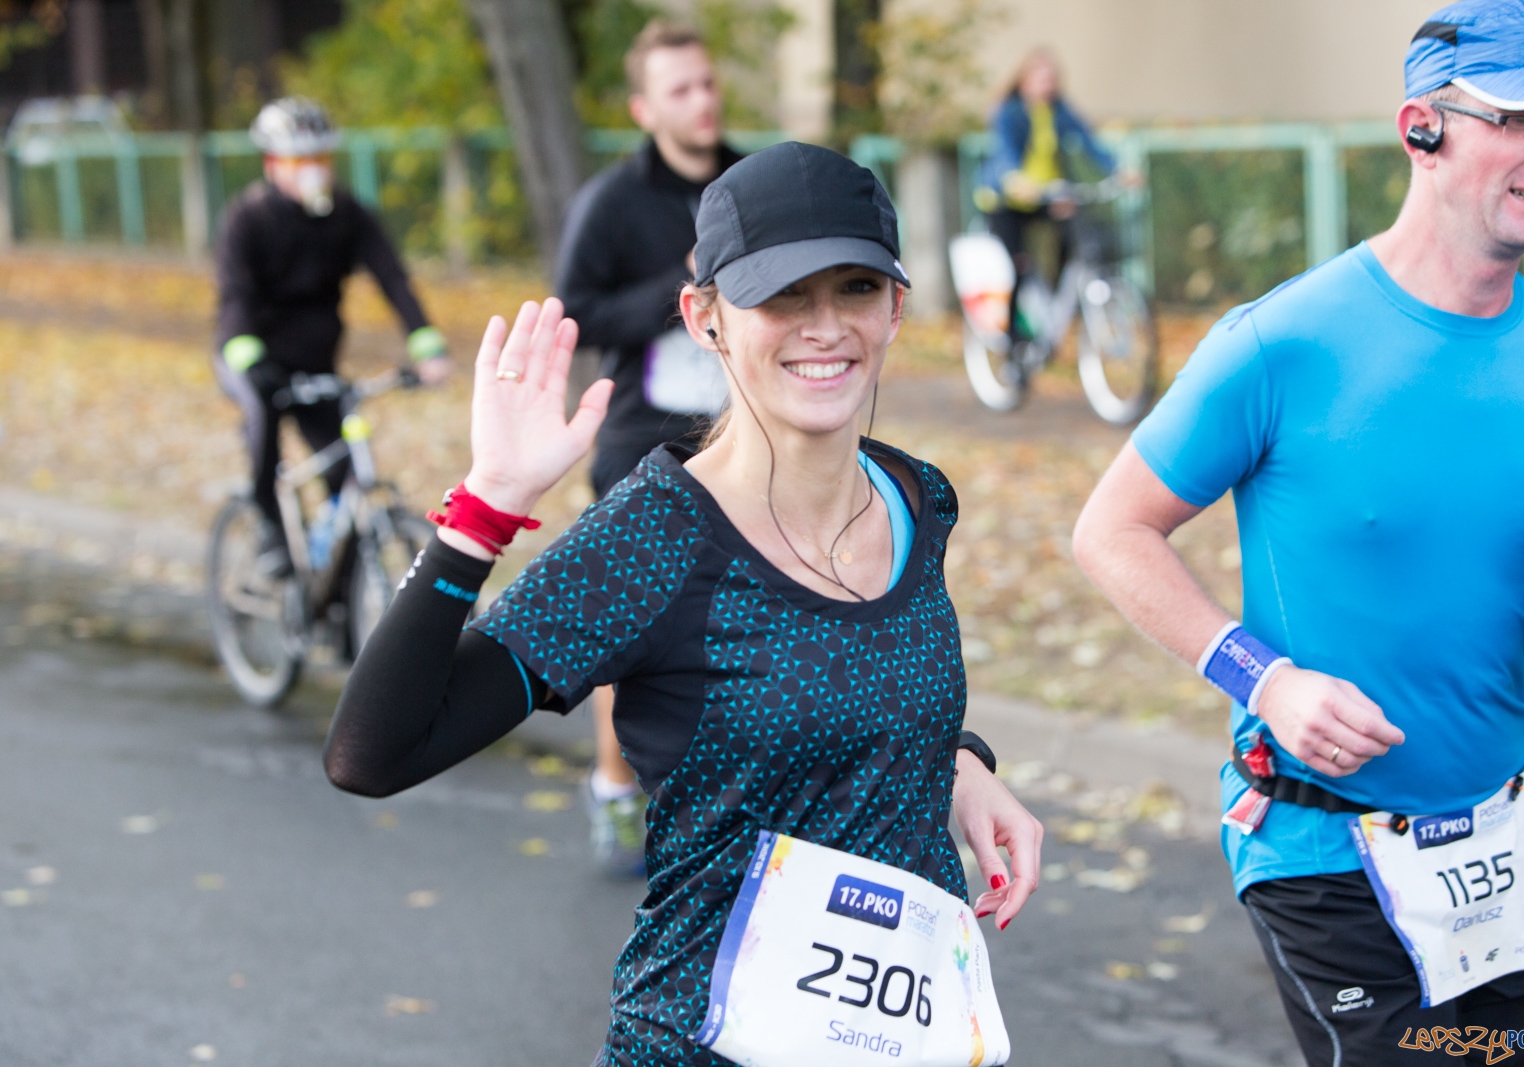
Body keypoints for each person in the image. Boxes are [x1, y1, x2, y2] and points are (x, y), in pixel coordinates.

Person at [324, 142, 1042, 1065]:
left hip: (906, 1039)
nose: (825, 326)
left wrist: (960, 765)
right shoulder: (657, 537)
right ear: (705, 318)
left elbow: (868, 687)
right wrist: (484, 509)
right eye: (783, 294)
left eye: (856, 288)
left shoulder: (916, 496)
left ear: (897, 307)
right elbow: (371, 752)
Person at [1072, 3, 1524, 1064]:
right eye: (1518, 122)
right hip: (1321, 842)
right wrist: (1262, 679)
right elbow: (1110, 529)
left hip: (1497, 837)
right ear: (1421, 127)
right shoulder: (1281, 344)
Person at [555, 21, 742, 877]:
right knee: (632, 614)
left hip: (744, 424)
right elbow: (576, 311)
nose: (701, 101)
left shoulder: (750, 183)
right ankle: (614, 783)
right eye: (680, 90)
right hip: (641, 430)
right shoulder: (614, 202)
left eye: (706, 84)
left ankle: (734, 794)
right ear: (644, 108)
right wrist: (681, 294)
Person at [214, 97, 450, 574]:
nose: (312, 172)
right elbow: (235, 296)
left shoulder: (347, 215)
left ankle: (339, 609)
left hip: (316, 363)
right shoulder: (247, 219)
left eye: (320, 159)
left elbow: (392, 277)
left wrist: (426, 342)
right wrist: (250, 358)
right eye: (300, 161)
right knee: (263, 421)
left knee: (344, 480)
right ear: (272, 164)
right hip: (253, 357)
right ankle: (268, 527)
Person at [974, 46, 1119, 323]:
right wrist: (1014, 180)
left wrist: (1118, 169)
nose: (1048, 85)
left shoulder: (1059, 111)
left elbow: (1089, 143)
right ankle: (1015, 345)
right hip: (1006, 201)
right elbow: (1004, 151)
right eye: (1042, 78)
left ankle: (1056, 305)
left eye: (1052, 79)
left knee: (1078, 241)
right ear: (1025, 80)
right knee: (1017, 269)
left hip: (1046, 197)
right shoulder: (1010, 112)